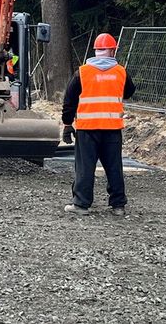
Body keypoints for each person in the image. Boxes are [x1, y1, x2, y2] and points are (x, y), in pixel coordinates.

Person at [61, 33, 136, 216]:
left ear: (95, 51)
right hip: (112, 129)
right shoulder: (121, 72)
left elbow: (69, 100)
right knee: (114, 167)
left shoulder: (83, 72)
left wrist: (67, 123)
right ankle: (118, 205)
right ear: (112, 50)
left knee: (85, 167)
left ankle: (81, 204)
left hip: (88, 129)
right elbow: (129, 91)